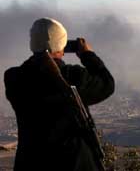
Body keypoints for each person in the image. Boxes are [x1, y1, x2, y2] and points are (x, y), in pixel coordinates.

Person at [4, 18, 115, 171]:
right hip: (74, 163)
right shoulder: (74, 77)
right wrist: (88, 55)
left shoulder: (13, 78)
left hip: (30, 163)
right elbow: (107, 85)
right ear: (60, 45)